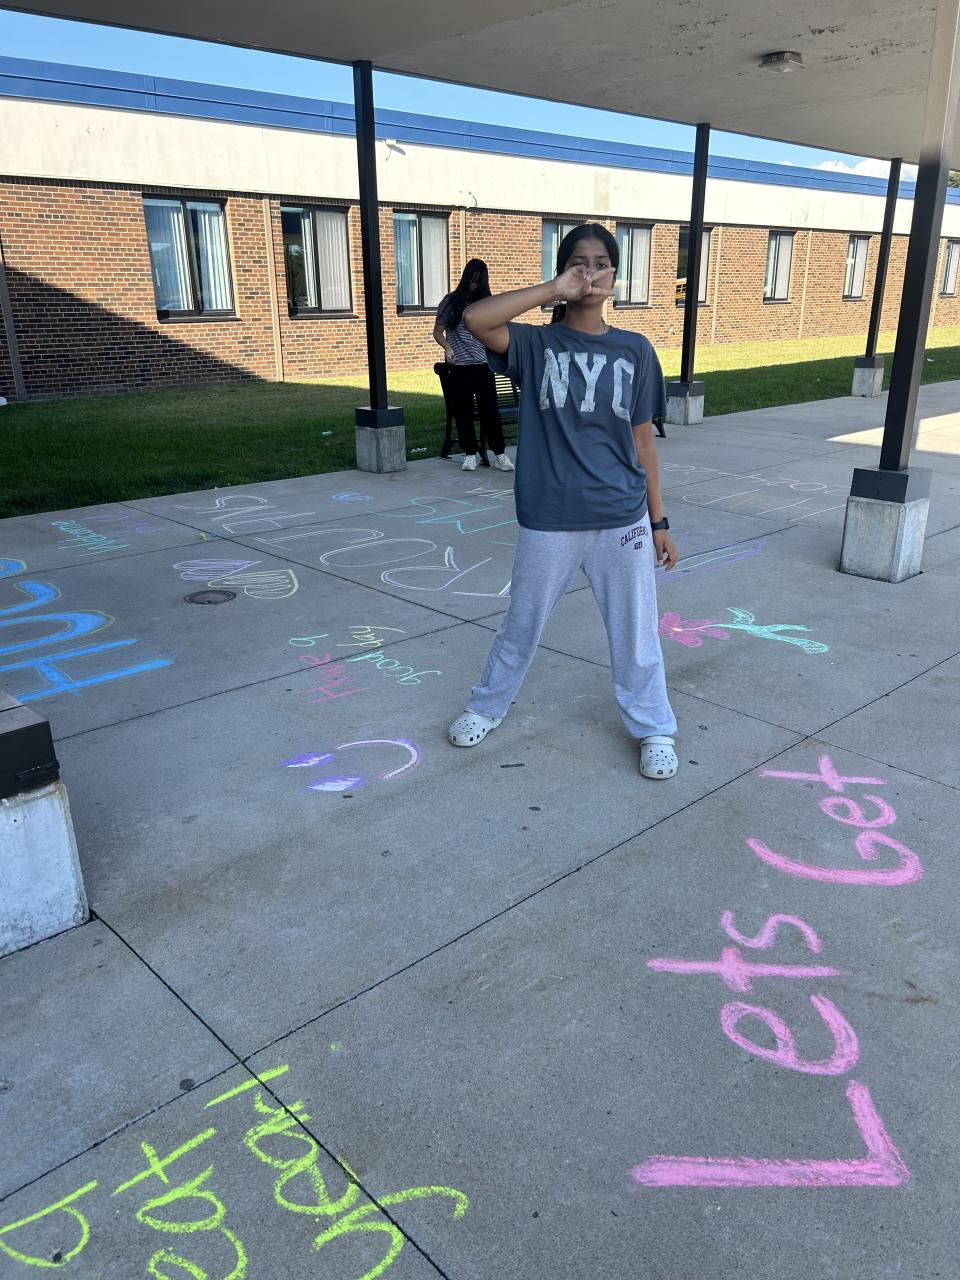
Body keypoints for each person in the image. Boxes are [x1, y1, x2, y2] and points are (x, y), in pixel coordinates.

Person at [446, 224, 679, 779]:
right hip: (550, 516)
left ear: (616, 273)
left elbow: (643, 442)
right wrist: (555, 290)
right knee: (522, 622)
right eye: (579, 262)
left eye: (601, 263)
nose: (590, 272)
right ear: (564, 269)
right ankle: (487, 706)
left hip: (621, 517)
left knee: (636, 632)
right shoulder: (537, 345)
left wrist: (659, 521)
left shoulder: (635, 349)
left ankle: (654, 728)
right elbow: (474, 320)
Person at [434, 260, 516, 473]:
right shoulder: (451, 302)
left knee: (491, 411)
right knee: (463, 412)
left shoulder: (487, 303)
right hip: (459, 366)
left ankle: (499, 454)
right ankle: (470, 453)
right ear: (466, 279)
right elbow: (437, 331)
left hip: (483, 365)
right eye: (471, 281)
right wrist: (448, 348)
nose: (474, 286)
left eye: (478, 282)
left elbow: (499, 330)